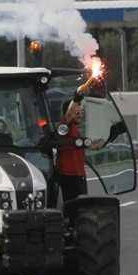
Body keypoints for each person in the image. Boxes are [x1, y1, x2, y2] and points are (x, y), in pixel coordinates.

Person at [55, 75, 99, 203]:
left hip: (80, 176)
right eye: (77, 109)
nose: (80, 111)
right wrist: (78, 94)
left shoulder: (76, 130)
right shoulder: (64, 126)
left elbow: (92, 146)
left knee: (82, 208)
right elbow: (69, 114)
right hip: (69, 177)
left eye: (81, 109)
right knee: (73, 208)